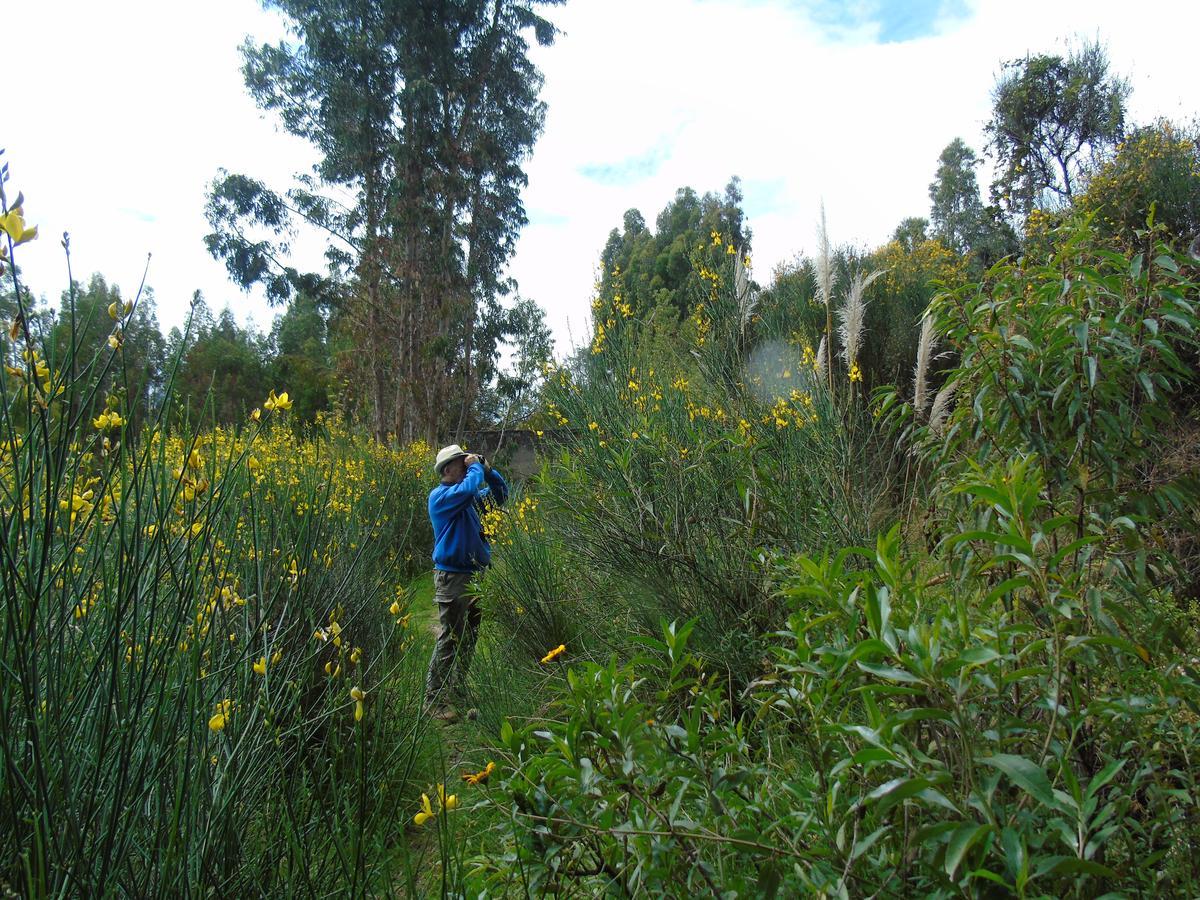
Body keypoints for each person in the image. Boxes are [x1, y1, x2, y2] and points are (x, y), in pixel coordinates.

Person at [424, 443, 509, 722]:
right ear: (448, 469)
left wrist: (488, 470)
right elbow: (469, 489)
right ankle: (434, 700)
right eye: (462, 461)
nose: (467, 463)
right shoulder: (441, 497)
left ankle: (458, 690)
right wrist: (475, 469)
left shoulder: (469, 498)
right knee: (450, 637)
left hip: (475, 576)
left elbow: (500, 495)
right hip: (453, 578)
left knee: (470, 636)